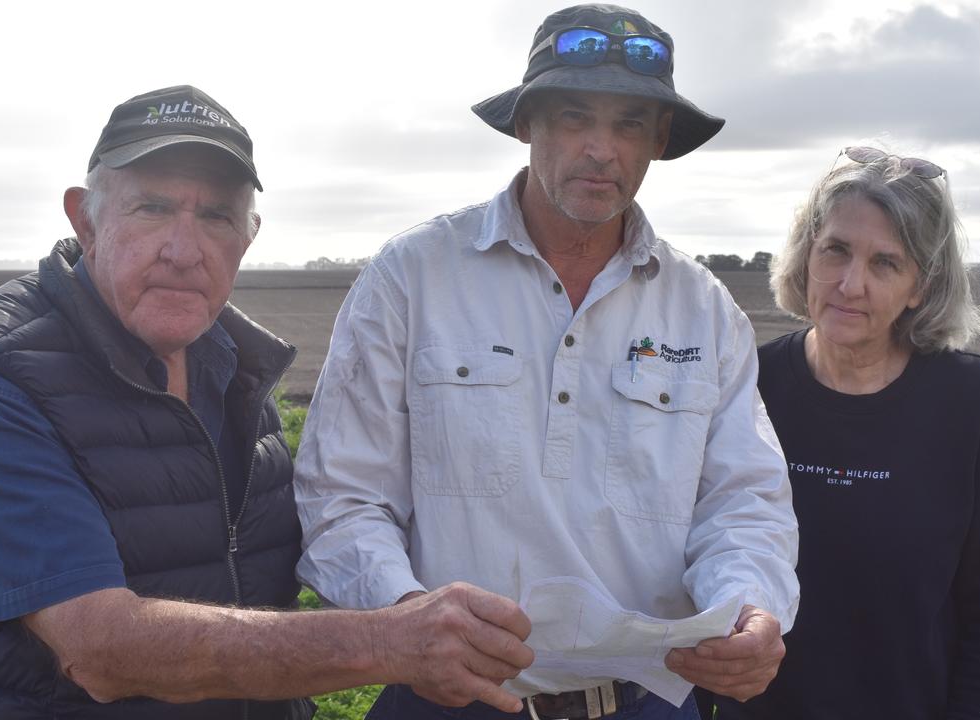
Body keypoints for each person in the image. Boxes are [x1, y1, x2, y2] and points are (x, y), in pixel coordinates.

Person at [0, 84, 533, 720]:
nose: (184, 251)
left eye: (217, 217)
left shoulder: (234, 371)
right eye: (152, 208)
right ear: (84, 219)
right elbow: (101, 649)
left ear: (249, 236)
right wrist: (388, 641)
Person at [294, 6, 800, 719]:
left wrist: (749, 606)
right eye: (573, 116)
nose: (601, 148)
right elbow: (342, 493)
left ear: (659, 140)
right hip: (448, 701)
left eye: (630, 123)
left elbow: (743, 502)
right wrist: (406, 615)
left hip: (649, 703)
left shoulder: (704, 311)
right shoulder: (413, 277)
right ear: (526, 124)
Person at [709, 146, 980, 719]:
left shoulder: (978, 404)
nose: (849, 284)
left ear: (921, 285)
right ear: (805, 254)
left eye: (885, 263)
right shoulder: (744, 385)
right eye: (835, 251)